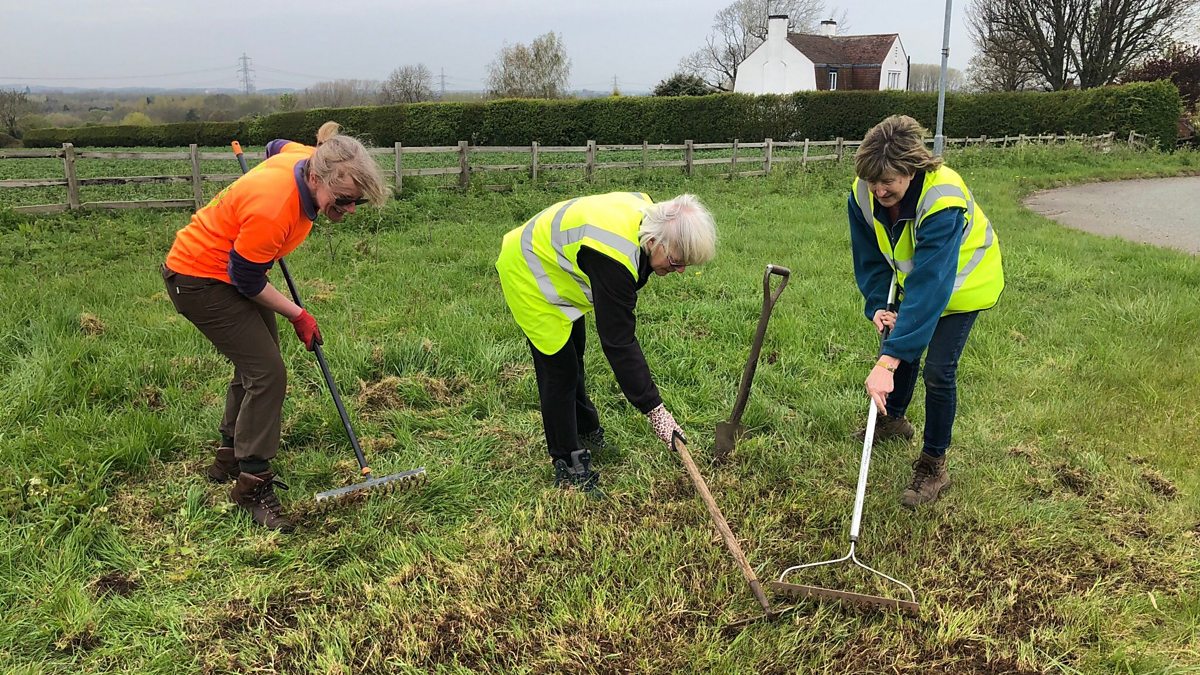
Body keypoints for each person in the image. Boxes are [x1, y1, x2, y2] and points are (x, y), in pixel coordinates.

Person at [161, 122, 387, 531]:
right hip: (198, 279)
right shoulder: (273, 209)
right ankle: (252, 482)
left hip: (229, 272)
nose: (350, 210)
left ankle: (228, 456)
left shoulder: (305, 157)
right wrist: (298, 314)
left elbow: (273, 145)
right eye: (344, 200)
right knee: (267, 372)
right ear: (315, 178)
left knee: (256, 362)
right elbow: (247, 280)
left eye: (358, 203)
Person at [496, 192, 717, 494]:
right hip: (529, 271)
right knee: (559, 370)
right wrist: (656, 411)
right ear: (654, 241)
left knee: (576, 354)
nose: (679, 271)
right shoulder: (613, 256)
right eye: (677, 261)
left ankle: (585, 430)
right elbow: (619, 342)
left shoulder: (649, 217)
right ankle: (567, 462)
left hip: (561, 271)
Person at [848, 115, 1004, 508]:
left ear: (912, 170)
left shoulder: (943, 198)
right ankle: (894, 419)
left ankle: (934, 464)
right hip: (917, 281)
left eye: (889, 182)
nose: (879, 190)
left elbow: (933, 282)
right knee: (901, 339)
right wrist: (878, 307)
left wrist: (885, 363)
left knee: (937, 369)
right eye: (872, 181)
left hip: (963, 285)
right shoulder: (863, 194)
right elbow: (870, 257)